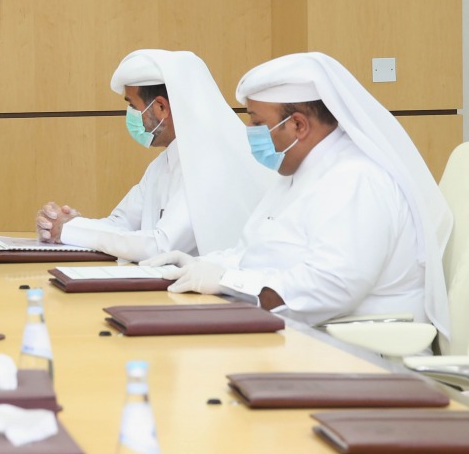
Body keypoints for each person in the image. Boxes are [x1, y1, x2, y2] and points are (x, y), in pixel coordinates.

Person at [143, 52, 452, 335]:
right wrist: (203, 266)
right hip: (304, 334)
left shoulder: (356, 178)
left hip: (360, 351)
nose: (250, 132)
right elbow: (257, 252)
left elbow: (332, 287)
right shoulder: (299, 171)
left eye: (258, 122)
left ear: (299, 125)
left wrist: (228, 283)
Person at [35, 50, 270, 261]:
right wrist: (71, 224)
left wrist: (72, 229)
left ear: (160, 108)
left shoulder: (212, 164)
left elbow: (161, 245)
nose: (131, 116)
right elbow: (120, 224)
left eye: (133, 106)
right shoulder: (163, 164)